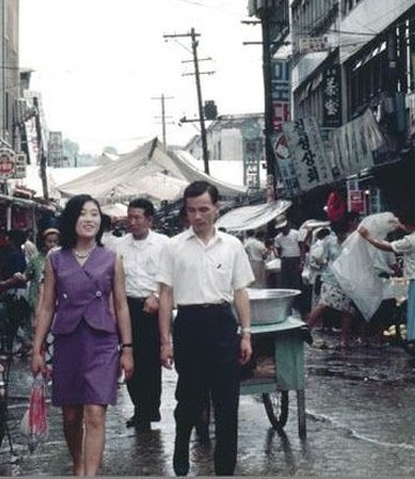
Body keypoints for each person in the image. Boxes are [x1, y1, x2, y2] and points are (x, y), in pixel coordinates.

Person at [31, 194, 134, 476]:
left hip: (102, 343)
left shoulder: (112, 259)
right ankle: (78, 462)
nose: (90, 219)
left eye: (95, 214)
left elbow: (122, 305)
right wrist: (37, 348)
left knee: (95, 412)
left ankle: (89, 474)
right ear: (72, 219)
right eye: (83, 214)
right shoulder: (55, 259)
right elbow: (47, 305)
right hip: (67, 342)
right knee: (71, 414)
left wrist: (127, 348)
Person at [157, 180, 254, 476]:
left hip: (223, 325)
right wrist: (165, 341)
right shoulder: (173, 247)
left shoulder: (233, 245)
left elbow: (240, 291)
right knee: (191, 396)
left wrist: (246, 333)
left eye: (203, 209)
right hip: (188, 325)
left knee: (227, 402)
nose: (197, 217)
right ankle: (181, 442)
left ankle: (225, 469)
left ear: (216, 209)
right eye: (191, 211)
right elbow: (165, 296)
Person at [359, 208, 415, 373]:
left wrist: (368, 237)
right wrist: (400, 223)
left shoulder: (409, 241)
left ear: (408, 225)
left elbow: (387, 246)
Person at [114, 198, 168, 432]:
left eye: (137, 218)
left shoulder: (163, 244)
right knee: (129, 359)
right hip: (127, 307)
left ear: (149, 219)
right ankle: (140, 408)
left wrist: (156, 296)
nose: (132, 222)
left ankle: (151, 407)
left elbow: (169, 276)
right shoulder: (119, 246)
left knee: (150, 361)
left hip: (154, 307)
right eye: (130, 217)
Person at [305, 220, 360, 348]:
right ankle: (306, 329)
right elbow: (323, 258)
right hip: (331, 277)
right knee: (324, 303)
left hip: (348, 279)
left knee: (347, 310)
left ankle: (344, 340)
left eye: (343, 233)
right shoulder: (329, 241)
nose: (341, 236)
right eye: (339, 233)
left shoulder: (353, 241)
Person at [0, 229, 31, 354]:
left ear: (11, 240)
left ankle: (25, 342)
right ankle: (17, 345)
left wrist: (3, 283)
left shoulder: (15, 255)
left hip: (14, 292)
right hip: (18, 291)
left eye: (8, 238)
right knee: (13, 319)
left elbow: (15, 276)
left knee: (11, 319)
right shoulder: (19, 254)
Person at [274, 215, 303, 296]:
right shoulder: (278, 238)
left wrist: (302, 260)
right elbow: (279, 250)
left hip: (295, 259)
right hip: (285, 260)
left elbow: (301, 247)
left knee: (296, 281)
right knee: (285, 282)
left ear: (288, 225)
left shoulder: (296, 234)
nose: (283, 229)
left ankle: (297, 300)